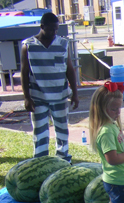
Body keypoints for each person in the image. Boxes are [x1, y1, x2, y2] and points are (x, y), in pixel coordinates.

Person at [21, 12, 79, 163]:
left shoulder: (63, 44)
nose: (54, 32)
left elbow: (70, 70)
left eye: (56, 29)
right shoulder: (28, 46)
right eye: (51, 29)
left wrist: (75, 93)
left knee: (62, 130)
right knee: (40, 131)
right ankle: (40, 161)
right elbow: (24, 72)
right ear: (42, 27)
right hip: (38, 97)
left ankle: (63, 159)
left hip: (60, 96)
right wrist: (27, 97)